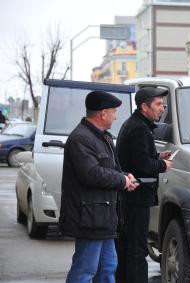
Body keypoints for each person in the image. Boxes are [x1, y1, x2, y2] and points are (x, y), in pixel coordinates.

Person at [59, 90, 139, 283]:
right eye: (113, 111)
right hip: (89, 218)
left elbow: (107, 169)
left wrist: (123, 176)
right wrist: (121, 181)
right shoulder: (81, 138)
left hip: (102, 218)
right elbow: (91, 174)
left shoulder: (102, 137)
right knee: (84, 270)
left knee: (107, 268)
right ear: (103, 113)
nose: (116, 116)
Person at [115, 86, 173, 283]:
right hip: (135, 198)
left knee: (127, 246)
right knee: (136, 249)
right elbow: (141, 164)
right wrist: (162, 165)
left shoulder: (137, 125)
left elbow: (136, 157)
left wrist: (157, 156)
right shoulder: (139, 128)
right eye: (158, 104)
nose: (162, 108)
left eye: (162, 104)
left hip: (132, 196)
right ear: (144, 107)